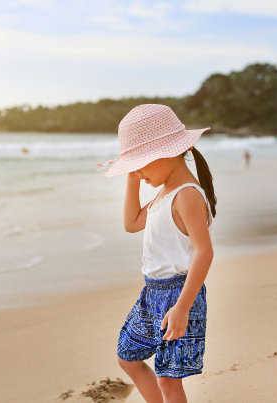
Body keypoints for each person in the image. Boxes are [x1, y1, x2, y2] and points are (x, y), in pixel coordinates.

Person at [96, 104, 216, 403]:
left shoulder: (186, 194)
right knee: (129, 357)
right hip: (152, 294)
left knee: (169, 379)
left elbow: (204, 252)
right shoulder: (164, 193)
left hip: (179, 294)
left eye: (141, 163)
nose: (137, 172)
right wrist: (133, 175)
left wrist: (183, 308)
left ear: (168, 152)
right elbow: (131, 223)